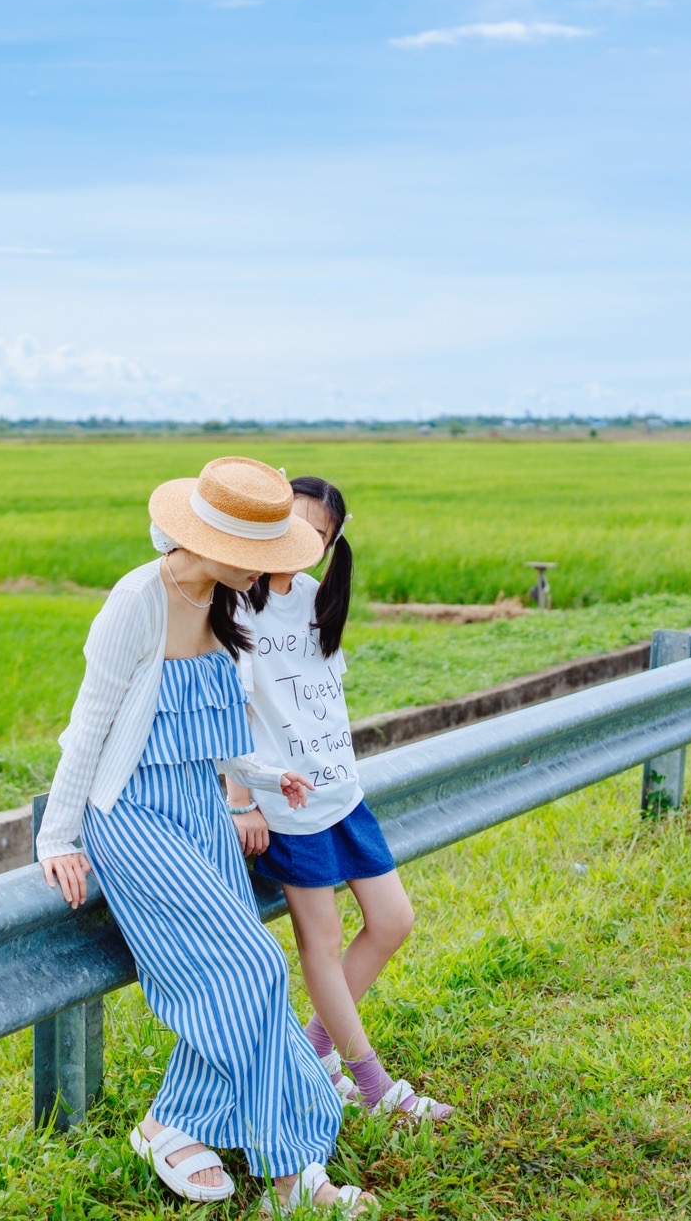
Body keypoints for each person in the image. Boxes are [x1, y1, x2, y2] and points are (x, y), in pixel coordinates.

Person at [36, 457, 377, 1217]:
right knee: (254, 965)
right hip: (134, 813)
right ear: (211, 539)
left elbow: (201, 724)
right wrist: (58, 837)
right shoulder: (138, 600)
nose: (264, 572)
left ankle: (171, 1122)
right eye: (254, 556)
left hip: (198, 805)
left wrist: (260, 777)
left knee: (235, 976)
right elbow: (91, 725)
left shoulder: (226, 603)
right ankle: (293, 1177)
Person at [226, 475, 453, 1122]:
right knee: (321, 944)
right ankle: (375, 1087)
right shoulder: (238, 604)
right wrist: (244, 799)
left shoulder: (317, 599)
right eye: (289, 523)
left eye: (315, 534)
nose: (298, 540)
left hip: (342, 793)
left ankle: (312, 1049)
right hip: (289, 808)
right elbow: (231, 711)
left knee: (393, 921)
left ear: (328, 546)